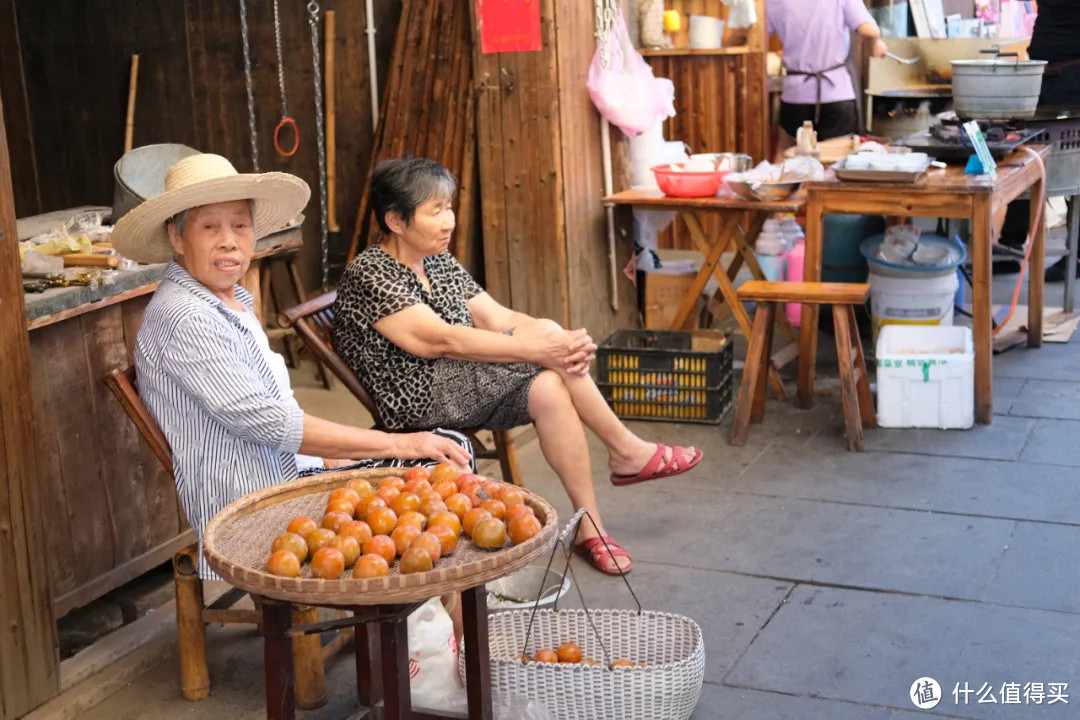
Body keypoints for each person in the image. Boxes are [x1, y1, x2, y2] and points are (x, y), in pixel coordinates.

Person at [333, 156, 704, 576]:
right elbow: (440, 340)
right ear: (396, 221)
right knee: (544, 360)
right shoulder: (371, 272)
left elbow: (500, 318)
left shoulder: (437, 259)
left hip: (459, 379)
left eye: (449, 207)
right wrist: (541, 350)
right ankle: (624, 451)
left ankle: (591, 527)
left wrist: (559, 340)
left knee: (549, 382)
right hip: (417, 398)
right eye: (435, 211)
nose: (449, 220)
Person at [110, 153, 473, 579]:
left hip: (286, 470)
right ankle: (419, 631)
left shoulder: (228, 299)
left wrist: (327, 457)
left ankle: (429, 632)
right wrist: (403, 444)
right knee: (436, 467)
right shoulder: (186, 316)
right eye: (209, 226)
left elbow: (275, 411)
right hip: (255, 503)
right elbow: (270, 424)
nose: (229, 241)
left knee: (449, 449)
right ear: (176, 236)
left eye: (240, 225)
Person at [999, 0, 1080, 280]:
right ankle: (1010, 246)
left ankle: (1078, 254)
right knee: (1024, 153)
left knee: (1073, 163)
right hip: (1042, 74)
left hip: (1073, 77)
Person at [769, 0, 889, 141]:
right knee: (837, 159)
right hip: (836, 93)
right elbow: (870, 31)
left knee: (796, 158)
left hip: (796, 94)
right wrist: (873, 46)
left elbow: (755, 34)